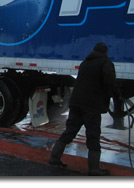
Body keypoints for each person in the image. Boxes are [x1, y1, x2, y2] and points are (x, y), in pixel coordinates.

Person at [48, 42, 120, 176]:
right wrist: (118, 97)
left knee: (70, 131)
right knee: (93, 135)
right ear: (105, 52)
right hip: (92, 106)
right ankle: (94, 169)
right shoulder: (106, 63)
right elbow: (110, 83)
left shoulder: (85, 63)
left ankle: (54, 157)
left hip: (76, 103)